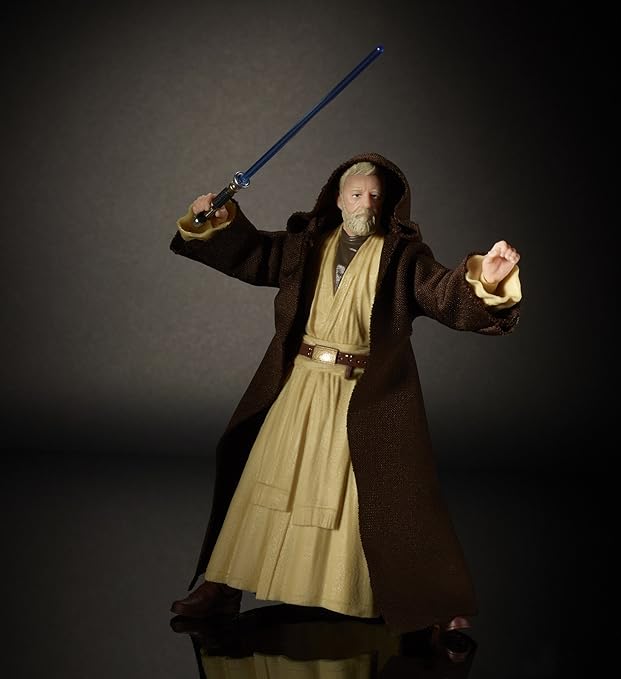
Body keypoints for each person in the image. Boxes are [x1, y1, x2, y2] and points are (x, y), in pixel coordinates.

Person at [169, 153, 521, 636]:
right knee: (265, 481)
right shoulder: (306, 245)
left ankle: (422, 605)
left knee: (381, 499)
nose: (365, 203)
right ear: (338, 199)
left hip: (362, 394)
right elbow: (255, 254)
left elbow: (442, 293)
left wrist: (486, 280)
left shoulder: (402, 259)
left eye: (375, 195)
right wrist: (216, 220)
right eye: (356, 194)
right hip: (300, 384)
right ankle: (223, 584)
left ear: (386, 203)